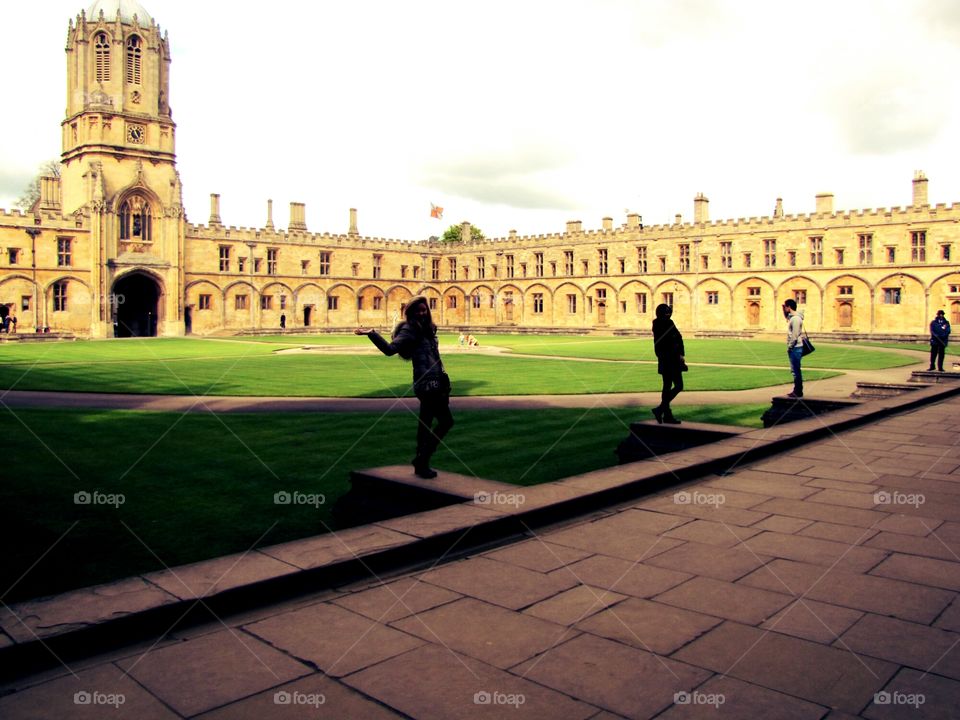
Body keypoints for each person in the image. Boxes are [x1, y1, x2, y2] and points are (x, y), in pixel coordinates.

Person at [356, 296, 453, 478]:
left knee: (426, 423)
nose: (422, 313)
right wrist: (371, 333)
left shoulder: (428, 329)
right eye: (418, 310)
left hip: (437, 381)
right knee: (445, 422)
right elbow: (390, 350)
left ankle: (421, 462)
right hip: (425, 383)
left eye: (424, 310)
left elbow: (435, 356)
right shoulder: (409, 330)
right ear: (410, 313)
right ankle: (422, 459)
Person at [651, 303, 685, 424]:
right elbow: (671, 340)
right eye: (666, 313)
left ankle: (665, 413)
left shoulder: (667, 323)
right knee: (678, 385)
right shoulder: (659, 323)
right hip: (668, 359)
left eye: (669, 313)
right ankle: (662, 410)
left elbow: (679, 337)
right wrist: (678, 353)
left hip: (671, 358)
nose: (668, 315)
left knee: (668, 387)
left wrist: (681, 354)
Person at [783, 299, 804, 398]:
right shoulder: (794, 318)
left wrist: (790, 346)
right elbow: (786, 317)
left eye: (786, 307)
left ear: (789, 307)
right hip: (795, 347)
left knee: (796, 370)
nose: (785, 309)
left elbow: (795, 335)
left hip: (795, 347)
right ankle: (797, 390)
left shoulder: (795, 319)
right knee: (794, 370)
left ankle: (798, 391)